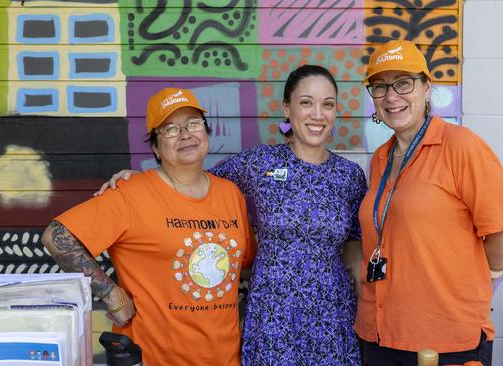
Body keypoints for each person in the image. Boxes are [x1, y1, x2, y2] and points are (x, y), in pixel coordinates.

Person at [97, 65, 367, 365]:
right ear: (286, 109)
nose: (318, 114)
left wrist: (365, 316)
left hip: (332, 314)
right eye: (306, 102)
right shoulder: (259, 162)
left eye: (327, 104)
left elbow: (355, 256)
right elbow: (191, 180)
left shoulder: (350, 176)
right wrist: (144, 178)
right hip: (272, 315)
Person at [41, 87, 256, 366]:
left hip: (225, 358)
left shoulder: (231, 194)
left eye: (193, 123)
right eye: (170, 129)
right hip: (154, 358)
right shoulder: (130, 194)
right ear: (155, 146)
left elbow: (247, 260)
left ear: (206, 132)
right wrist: (112, 295)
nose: (185, 134)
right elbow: (56, 236)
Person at [355, 40, 503, 366]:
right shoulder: (380, 158)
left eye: (403, 83)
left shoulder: (461, 147)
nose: (391, 96)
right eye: (380, 86)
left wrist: (472, 281)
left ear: (427, 87)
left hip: (444, 337)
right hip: (379, 333)